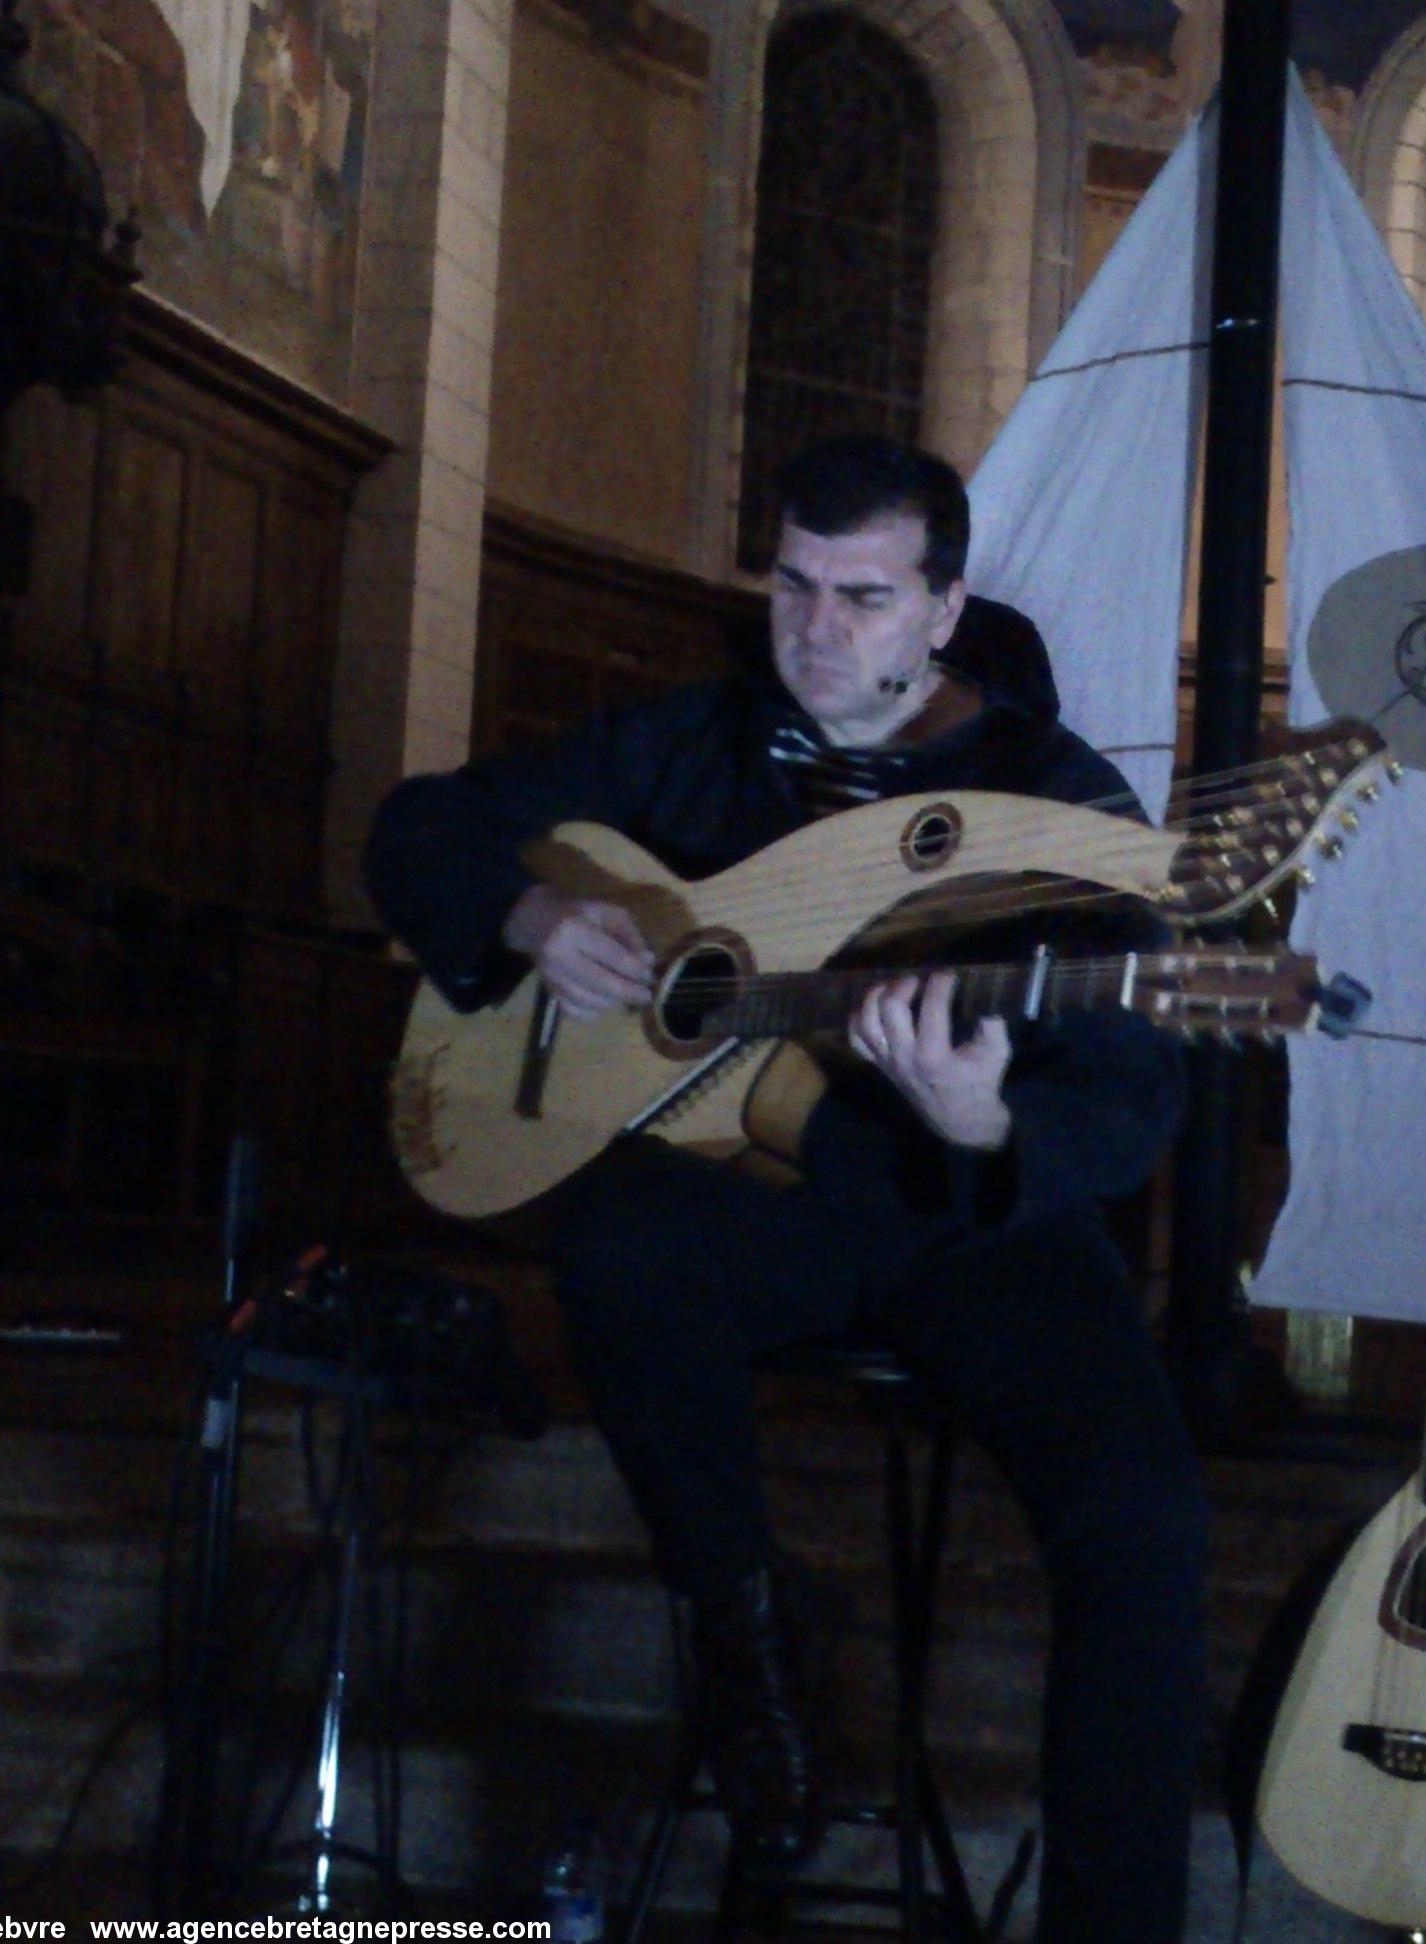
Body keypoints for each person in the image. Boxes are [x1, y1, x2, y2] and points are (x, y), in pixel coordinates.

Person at [364, 436, 1206, 1943]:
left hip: (973, 1233)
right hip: (765, 1206)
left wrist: (990, 1115)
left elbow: (1140, 1089)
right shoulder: (695, 741)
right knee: (618, 1241)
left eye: (867, 599)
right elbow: (418, 824)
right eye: (795, 588)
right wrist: (528, 909)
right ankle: (746, 1628)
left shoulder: (1051, 797)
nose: (819, 632)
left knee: (1144, 1518)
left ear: (945, 610)